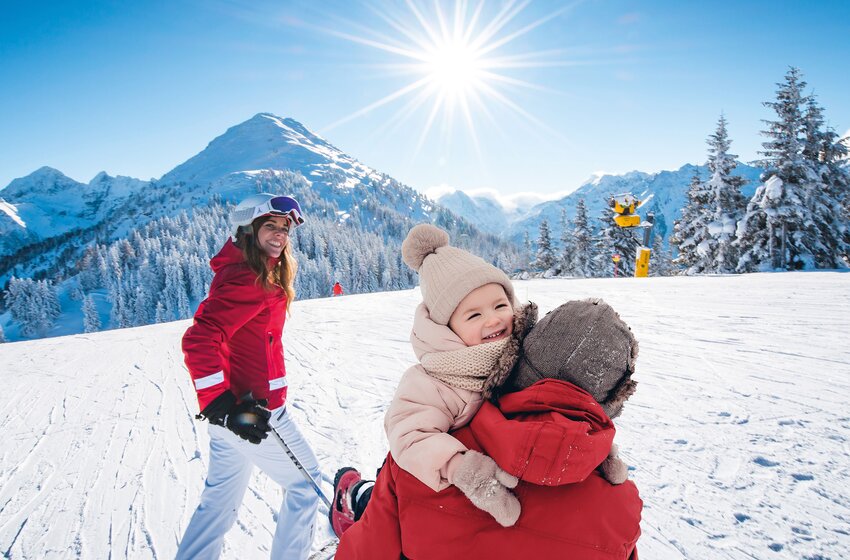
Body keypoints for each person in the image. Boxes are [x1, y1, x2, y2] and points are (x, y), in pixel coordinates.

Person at [331, 224, 623, 535]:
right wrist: (461, 468)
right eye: (474, 315)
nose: (494, 319)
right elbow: (410, 435)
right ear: (448, 329)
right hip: (430, 477)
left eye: (500, 305)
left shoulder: (526, 356)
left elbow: (558, 405)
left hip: (491, 500)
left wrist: (595, 450)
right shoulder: (433, 379)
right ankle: (355, 498)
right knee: (387, 505)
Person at [335, 298, 642, 559]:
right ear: (609, 402)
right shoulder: (621, 508)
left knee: (388, 499)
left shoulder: (436, 456)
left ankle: (357, 499)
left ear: (518, 360)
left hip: (398, 510)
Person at [177, 193, 321, 560]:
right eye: (270, 225)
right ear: (248, 229)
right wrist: (221, 405)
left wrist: (223, 412)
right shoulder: (247, 278)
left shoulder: (257, 271)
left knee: (217, 505)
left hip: (234, 419)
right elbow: (200, 339)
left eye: (284, 228)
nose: (279, 234)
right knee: (305, 486)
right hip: (254, 413)